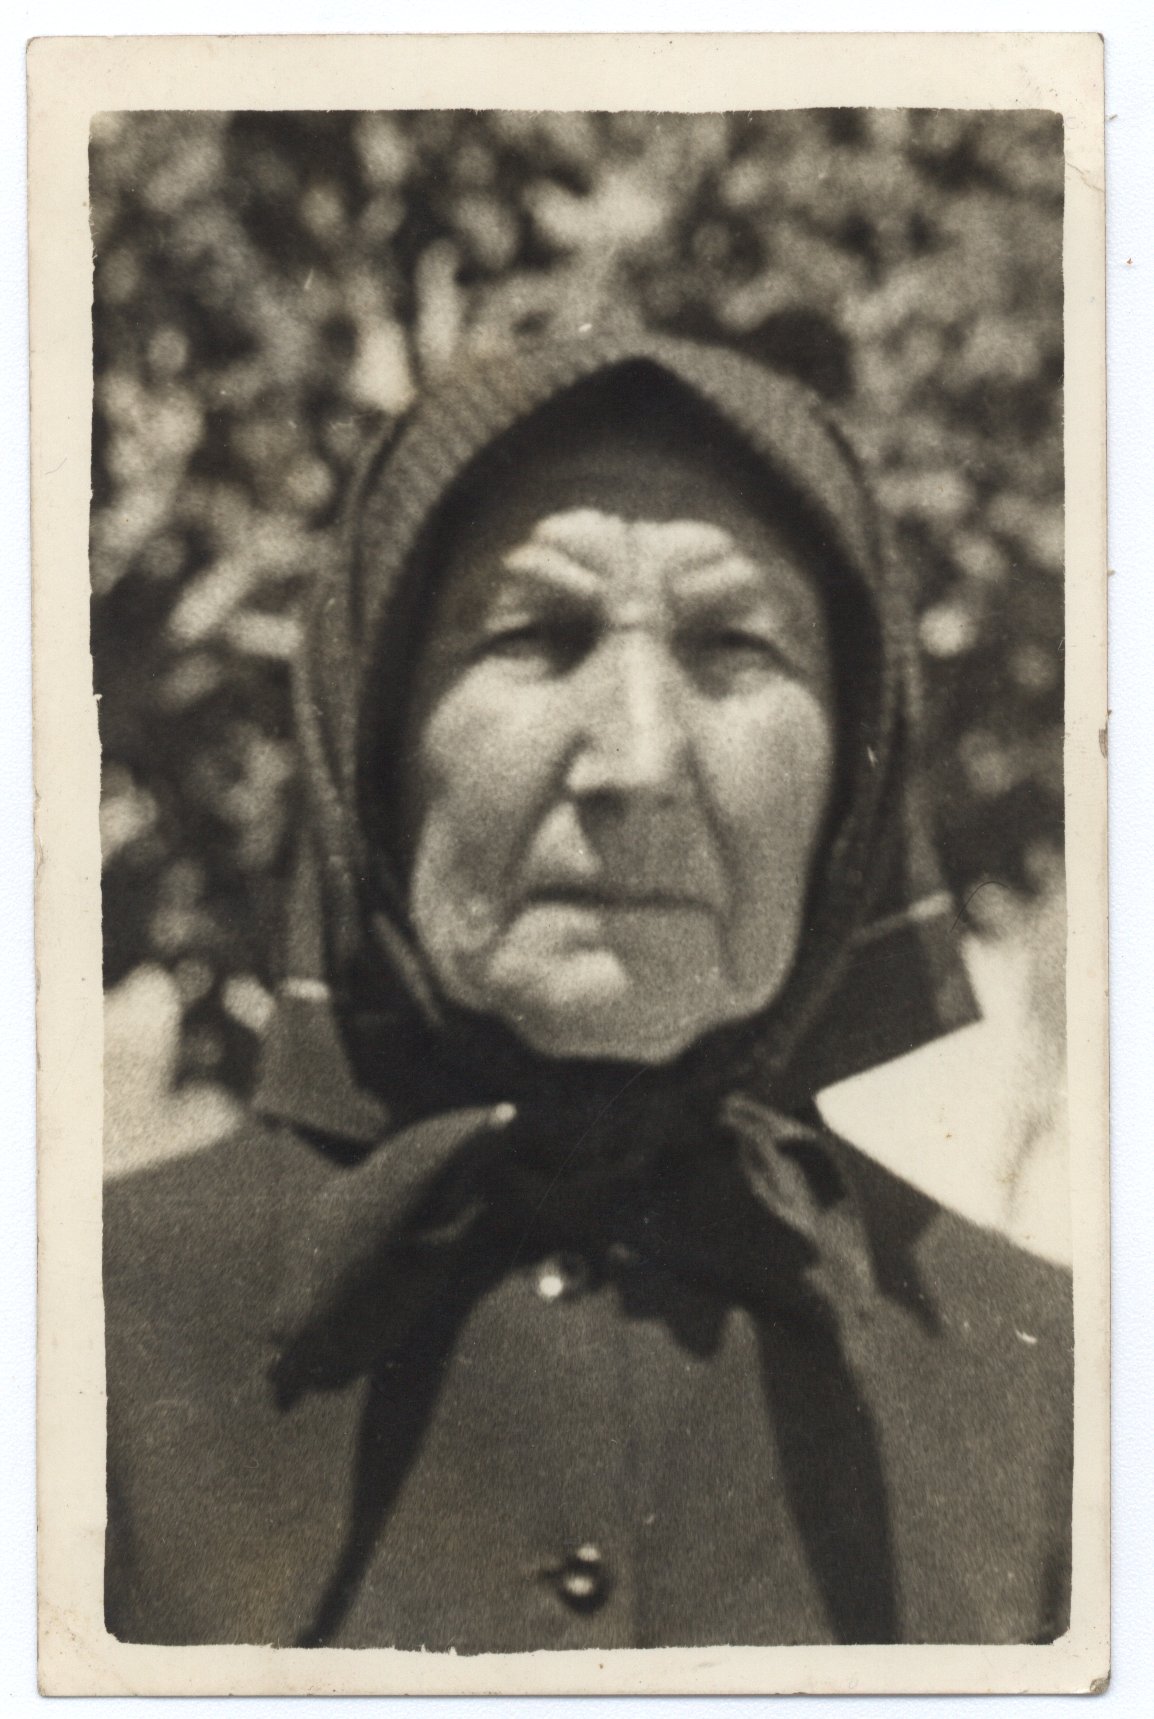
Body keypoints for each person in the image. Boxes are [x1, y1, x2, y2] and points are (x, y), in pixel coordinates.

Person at [103, 328, 1073, 1650]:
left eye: (735, 645)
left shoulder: (1055, 1402)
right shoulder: (69, 1339)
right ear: (373, 735)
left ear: (853, 772)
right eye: (535, 634)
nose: (639, 762)